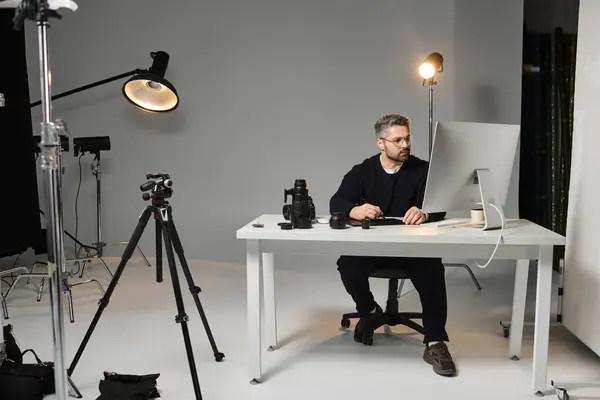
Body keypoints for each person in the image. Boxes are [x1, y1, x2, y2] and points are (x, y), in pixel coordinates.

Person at [329, 113, 457, 377]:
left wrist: (426, 213)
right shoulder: (363, 171)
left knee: (432, 268)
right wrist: (354, 210)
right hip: (374, 249)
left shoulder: (422, 169)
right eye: (397, 140)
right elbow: (336, 203)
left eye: (407, 139)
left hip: (413, 250)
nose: (404, 145)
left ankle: (435, 342)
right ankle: (369, 311)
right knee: (347, 264)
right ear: (381, 143)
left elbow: (441, 205)